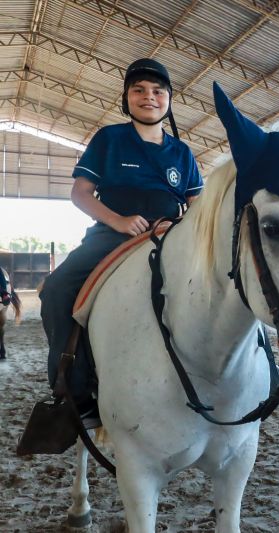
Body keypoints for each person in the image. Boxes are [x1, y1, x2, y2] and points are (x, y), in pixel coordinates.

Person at [40, 58, 203, 423]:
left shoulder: (182, 153)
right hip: (111, 236)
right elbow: (80, 193)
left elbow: (198, 206)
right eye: (139, 90)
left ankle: (270, 368)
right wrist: (118, 220)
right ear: (127, 98)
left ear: (169, 99)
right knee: (56, 289)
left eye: (158, 91)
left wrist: (178, 227)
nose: (149, 97)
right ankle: (73, 393)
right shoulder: (109, 139)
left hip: (170, 235)